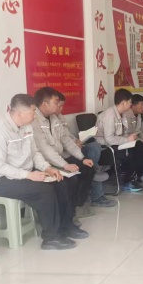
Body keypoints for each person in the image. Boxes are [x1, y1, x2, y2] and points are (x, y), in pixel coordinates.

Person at [0, 94, 85, 250]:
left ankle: (66, 225)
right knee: (44, 191)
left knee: (63, 181)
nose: (35, 115)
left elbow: (35, 153)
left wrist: (47, 168)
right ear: (20, 113)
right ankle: (51, 238)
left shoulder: (26, 126)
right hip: (1, 179)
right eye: (32, 112)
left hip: (25, 172)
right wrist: (29, 175)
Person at [32, 87, 96, 225]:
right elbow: (44, 149)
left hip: (59, 157)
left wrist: (82, 158)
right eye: (56, 102)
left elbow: (66, 139)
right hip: (45, 163)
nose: (59, 105)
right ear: (45, 104)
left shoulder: (54, 118)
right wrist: (65, 165)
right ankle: (68, 216)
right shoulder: (34, 120)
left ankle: (77, 205)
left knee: (87, 168)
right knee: (70, 180)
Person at [55, 93, 114, 212]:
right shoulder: (45, 122)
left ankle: (94, 170)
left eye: (62, 106)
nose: (61, 109)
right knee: (89, 165)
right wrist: (72, 145)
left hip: (74, 148)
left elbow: (67, 135)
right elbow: (57, 144)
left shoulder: (60, 117)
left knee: (94, 146)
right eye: (59, 106)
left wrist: (76, 140)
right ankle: (96, 193)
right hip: (64, 154)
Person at [95, 88, 142, 192]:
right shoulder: (110, 115)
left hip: (116, 144)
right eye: (130, 102)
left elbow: (123, 132)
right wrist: (127, 140)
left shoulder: (122, 114)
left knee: (139, 147)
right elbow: (109, 139)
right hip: (105, 148)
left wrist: (130, 138)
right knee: (132, 153)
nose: (131, 104)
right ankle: (125, 181)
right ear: (123, 102)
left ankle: (132, 177)